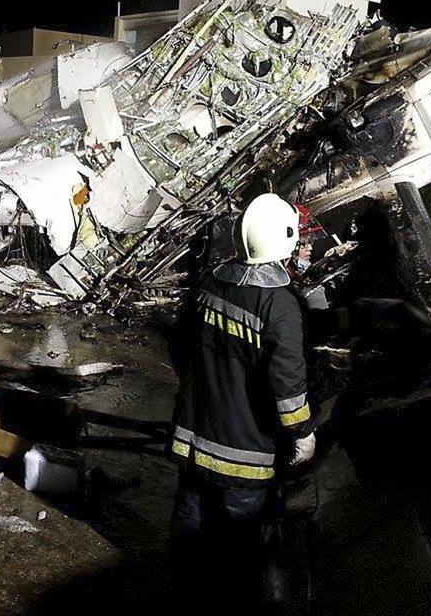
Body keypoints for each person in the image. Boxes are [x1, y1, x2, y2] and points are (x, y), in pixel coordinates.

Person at [170, 192, 316, 605]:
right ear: (285, 240)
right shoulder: (280, 307)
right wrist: (302, 434)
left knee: (190, 524)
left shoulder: (210, 284)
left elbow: (182, 351)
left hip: (192, 440)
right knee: (238, 547)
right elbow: (288, 385)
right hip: (244, 456)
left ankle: (181, 593)